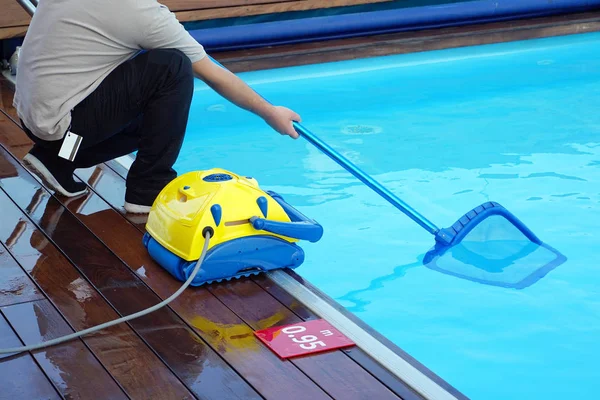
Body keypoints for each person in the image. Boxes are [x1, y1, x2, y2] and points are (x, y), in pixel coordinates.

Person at [13, 0, 301, 214]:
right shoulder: (139, 12)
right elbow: (212, 74)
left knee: (150, 110)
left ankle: (58, 160)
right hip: (68, 124)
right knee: (171, 67)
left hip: (39, 119)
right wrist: (269, 111)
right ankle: (146, 191)